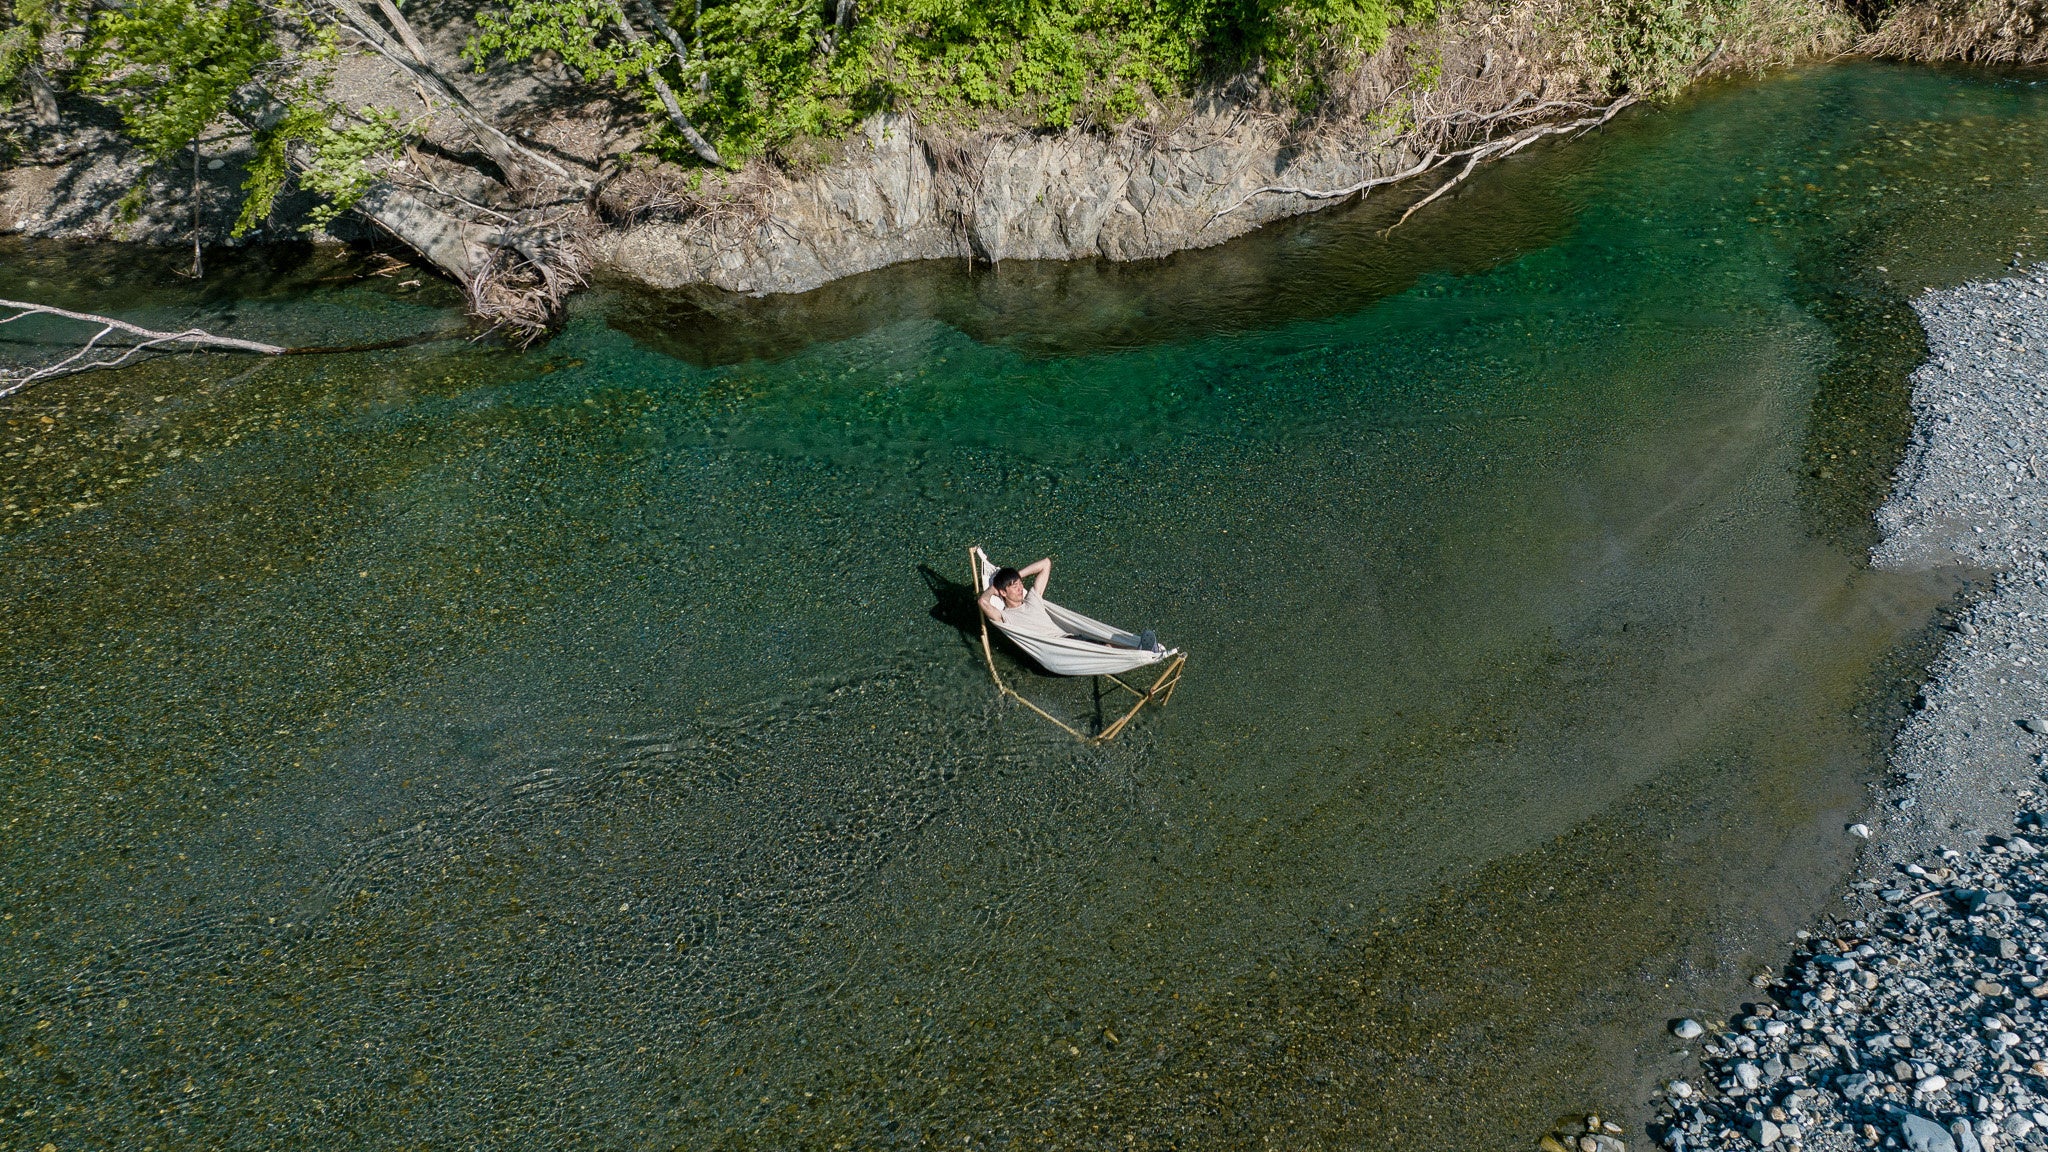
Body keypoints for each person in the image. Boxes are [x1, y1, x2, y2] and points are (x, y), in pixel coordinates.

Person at [979, 555, 1062, 638]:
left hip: (1069, 641)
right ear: (1003, 592)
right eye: (1015, 586)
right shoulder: (1006, 617)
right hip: (1056, 645)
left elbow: (1046, 563)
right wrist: (992, 589)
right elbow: (982, 601)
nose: (1021, 588)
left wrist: (1015, 577)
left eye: (1021, 583)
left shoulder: (1032, 600)